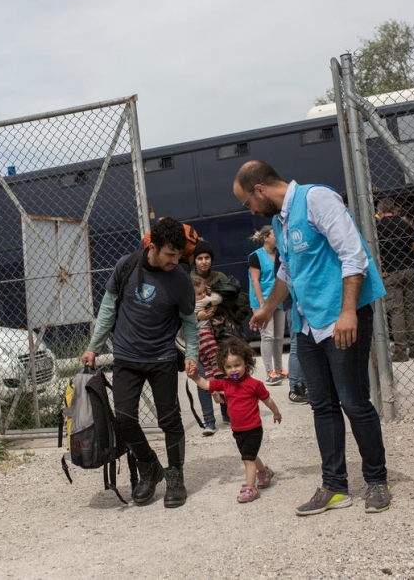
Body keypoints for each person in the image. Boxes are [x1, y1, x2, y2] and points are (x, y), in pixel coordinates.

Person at [234, 160, 392, 515]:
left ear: (259, 190)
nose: (251, 211)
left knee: (354, 402)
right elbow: (288, 271)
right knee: (321, 405)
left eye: (247, 202)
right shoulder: (279, 221)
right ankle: (334, 486)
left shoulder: (316, 199)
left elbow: (353, 255)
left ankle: (376, 480)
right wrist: (268, 308)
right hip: (308, 324)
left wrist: (348, 312)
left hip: (341, 318)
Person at [81, 217, 198, 508]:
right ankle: (150, 467)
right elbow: (108, 309)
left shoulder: (181, 279)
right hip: (126, 358)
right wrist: (94, 347)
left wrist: (192, 355)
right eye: (170, 254)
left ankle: (175, 478)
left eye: (179, 254)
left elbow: (191, 323)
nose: (175, 260)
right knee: (124, 420)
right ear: (154, 247)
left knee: (169, 420)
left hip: (162, 359)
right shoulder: (127, 266)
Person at [186, 338, 282, 503]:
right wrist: (196, 378)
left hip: (253, 429)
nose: (233, 370)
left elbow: (267, 400)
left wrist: (276, 412)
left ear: (246, 363)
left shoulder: (254, 384)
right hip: (237, 429)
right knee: (249, 455)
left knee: (247, 459)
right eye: (229, 367)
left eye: (237, 365)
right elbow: (207, 385)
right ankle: (265, 472)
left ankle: (250, 489)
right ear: (223, 368)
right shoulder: (224, 384)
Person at [375, 198, 414, 361]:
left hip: (390, 271)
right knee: (410, 308)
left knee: (396, 311)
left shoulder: (378, 228)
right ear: (395, 210)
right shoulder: (405, 225)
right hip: (408, 269)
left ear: (380, 212)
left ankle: (401, 350)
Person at [248, 226, 286, 384]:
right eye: (274, 235)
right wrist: (263, 305)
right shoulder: (255, 256)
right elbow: (255, 281)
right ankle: (269, 372)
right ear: (265, 238)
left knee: (278, 336)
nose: (277, 237)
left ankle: (279, 369)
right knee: (267, 336)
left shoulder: (279, 254)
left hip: (278, 300)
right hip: (262, 301)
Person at [189, 274, 223, 435]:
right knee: (216, 365)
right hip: (206, 337)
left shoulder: (187, 303)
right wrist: (209, 293)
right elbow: (217, 299)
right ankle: (218, 391)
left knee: (207, 370)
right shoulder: (202, 302)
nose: (202, 295)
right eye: (199, 293)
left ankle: (214, 392)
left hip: (195, 343)